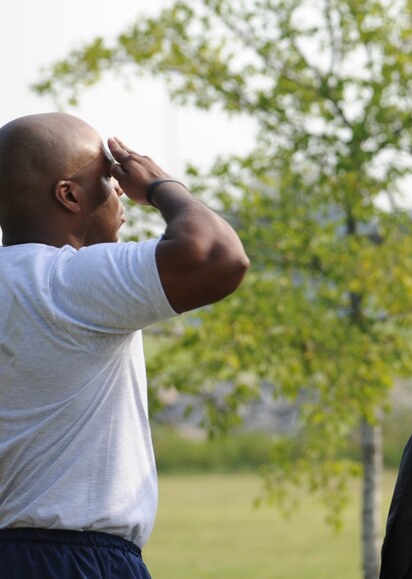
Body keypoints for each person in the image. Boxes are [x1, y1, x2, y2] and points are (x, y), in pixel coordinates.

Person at [0, 113, 249, 578]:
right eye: (107, 175)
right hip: (73, 561)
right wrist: (159, 185)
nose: (119, 187)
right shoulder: (66, 282)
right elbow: (218, 255)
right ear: (69, 195)